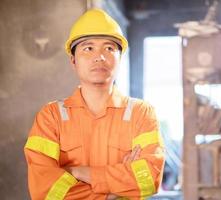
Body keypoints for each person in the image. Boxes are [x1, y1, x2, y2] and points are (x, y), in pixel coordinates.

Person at [24, 9, 165, 200]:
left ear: (120, 58)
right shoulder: (51, 117)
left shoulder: (141, 114)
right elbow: (44, 189)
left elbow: (149, 179)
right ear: (73, 60)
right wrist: (112, 192)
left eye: (109, 48)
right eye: (88, 48)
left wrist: (77, 172)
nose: (100, 56)